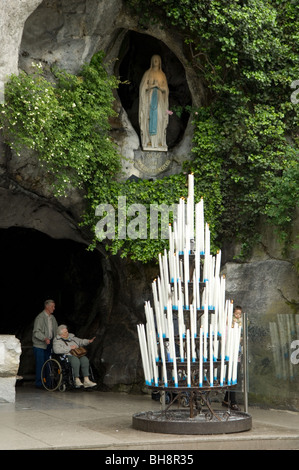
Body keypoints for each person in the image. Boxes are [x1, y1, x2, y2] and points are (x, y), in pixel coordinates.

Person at [139, 54, 169, 151]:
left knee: (160, 118)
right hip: (149, 100)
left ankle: (159, 141)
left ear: (160, 62)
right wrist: (152, 86)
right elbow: (142, 87)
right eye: (154, 59)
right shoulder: (148, 73)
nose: (156, 61)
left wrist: (159, 87)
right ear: (151, 61)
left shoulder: (162, 74)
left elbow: (166, 89)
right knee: (149, 118)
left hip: (160, 100)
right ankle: (149, 141)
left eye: (157, 59)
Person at [53, 325, 96, 389]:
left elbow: (80, 341)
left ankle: (86, 380)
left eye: (67, 331)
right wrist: (69, 348)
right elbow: (56, 350)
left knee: (84, 359)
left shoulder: (71, 337)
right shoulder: (57, 340)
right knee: (75, 360)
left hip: (77, 354)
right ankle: (76, 379)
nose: (67, 333)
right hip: (66, 355)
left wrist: (88, 341)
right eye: (65, 332)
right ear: (60, 334)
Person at [32, 299, 58, 389]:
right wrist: (44, 338)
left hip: (49, 344)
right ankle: (39, 384)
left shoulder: (53, 318)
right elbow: (36, 332)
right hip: (40, 345)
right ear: (47, 306)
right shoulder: (40, 317)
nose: (54, 308)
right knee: (40, 364)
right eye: (52, 306)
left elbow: (56, 331)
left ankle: (48, 383)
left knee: (48, 364)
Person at [222, 305, 243, 411]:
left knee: (236, 378)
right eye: (235, 315)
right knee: (232, 379)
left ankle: (226, 400)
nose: (237, 317)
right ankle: (233, 402)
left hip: (237, 356)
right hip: (230, 356)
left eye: (239, 315)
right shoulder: (227, 328)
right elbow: (226, 342)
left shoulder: (239, 326)